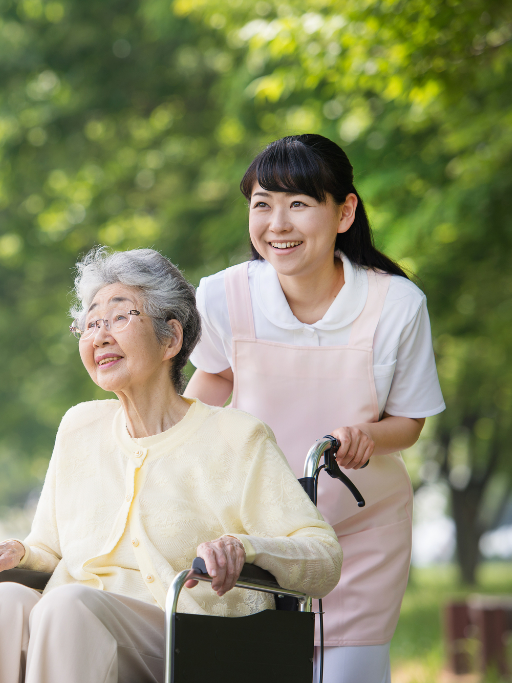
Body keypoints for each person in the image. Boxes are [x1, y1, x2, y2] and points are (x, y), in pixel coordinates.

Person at [0, 247, 342, 683]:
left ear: (170, 339)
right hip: (73, 625)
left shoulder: (236, 437)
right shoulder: (79, 425)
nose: (99, 335)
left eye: (119, 317)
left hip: (191, 641)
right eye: (91, 322)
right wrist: (20, 553)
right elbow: (51, 548)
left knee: (67, 607)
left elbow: (323, 556)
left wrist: (246, 548)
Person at [184, 134, 445, 683]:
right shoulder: (223, 295)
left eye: (298, 205)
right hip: (252, 530)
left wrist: (369, 436)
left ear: (344, 211)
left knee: (350, 670)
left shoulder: (396, 304)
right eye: (263, 205)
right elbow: (213, 380)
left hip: (359, 531)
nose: (277, 224)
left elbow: (411, 421)